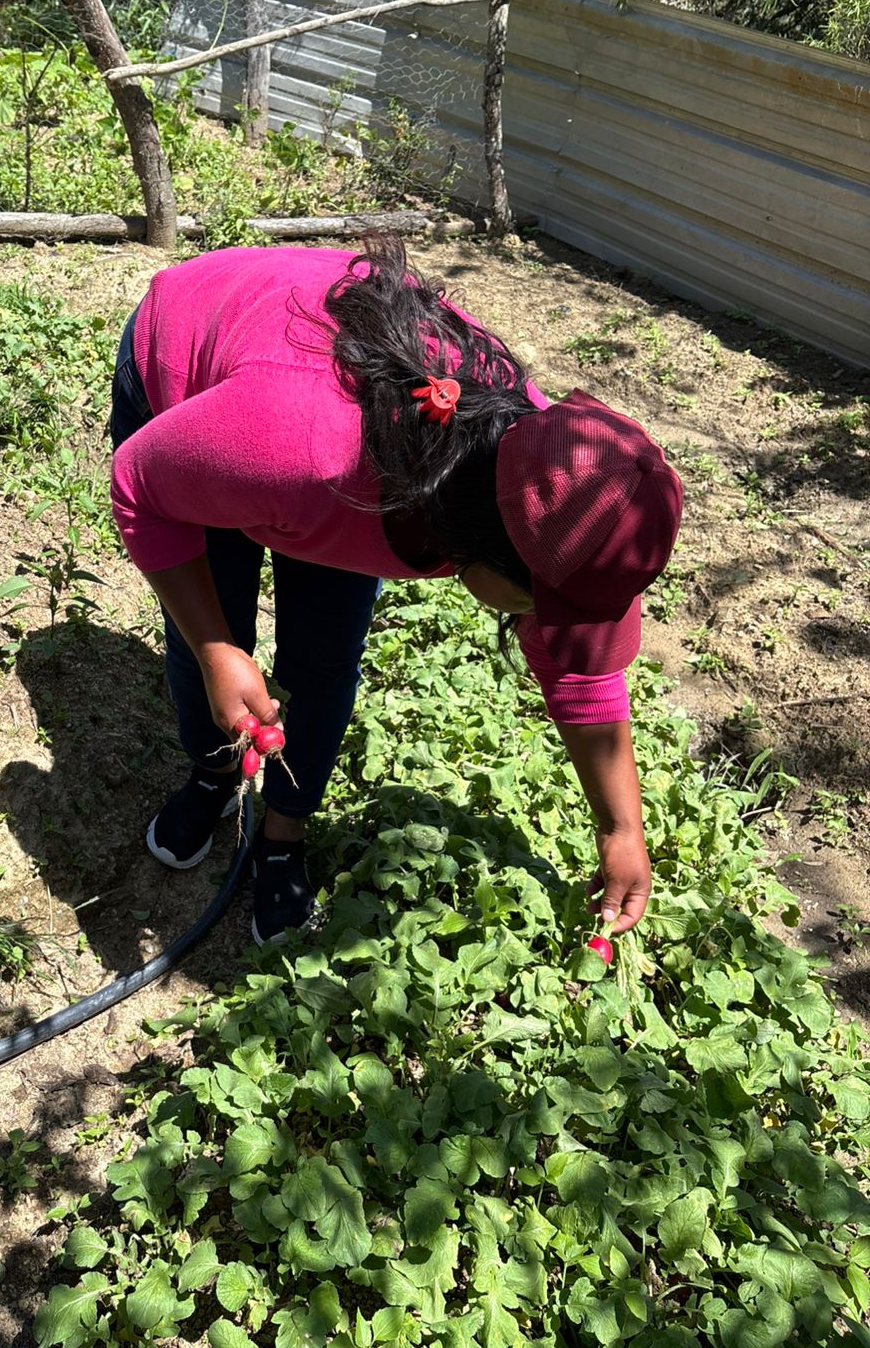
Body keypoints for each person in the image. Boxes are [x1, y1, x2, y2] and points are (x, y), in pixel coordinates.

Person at [109, 239, 682, 947]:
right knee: (213, 627)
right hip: (199, 365)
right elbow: (140, 484)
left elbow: (580, 669)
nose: (541, 627)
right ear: (476, 540)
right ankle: (211, 776)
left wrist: (622, 830)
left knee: (324, 660)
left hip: (318, 442)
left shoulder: (555, 482)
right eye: (535, 604)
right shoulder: (311, 449)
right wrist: (217, 647)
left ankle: (282, 836)